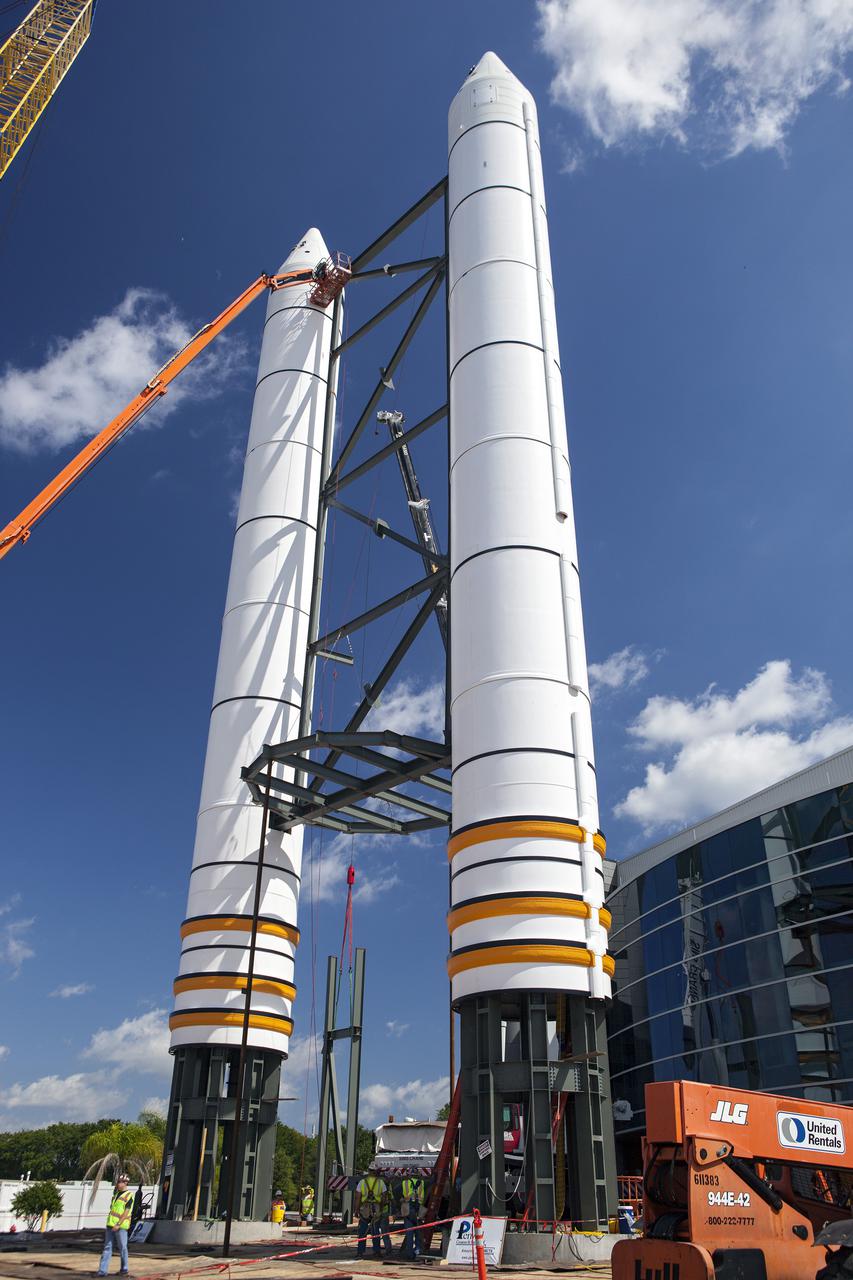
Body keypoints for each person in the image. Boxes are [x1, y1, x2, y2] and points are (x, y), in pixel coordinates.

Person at [96, 1174, 134, 1276]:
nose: (117, 1184)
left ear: (125, 1183)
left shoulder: (128, 1196)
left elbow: (126, 1212)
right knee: (107, 1247)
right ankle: (102, 1271)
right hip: (110, 1225)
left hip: (121, 1226)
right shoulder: (116, 1195)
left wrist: (118, 1223)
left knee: (123, 1248)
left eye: (119, 1182)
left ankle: (124, 1269)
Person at [353, 1167, 391, 1258]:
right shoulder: (380, 1183)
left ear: (369, 1171)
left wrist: (356, 1210)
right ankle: (376, 1251)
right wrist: (381, 1208)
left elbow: (358, 1197)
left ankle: (360, 1252)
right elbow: (384, 1197)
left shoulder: (362, 1182)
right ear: (376, 1172)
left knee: (362, 1231)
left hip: (365, 1209)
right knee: (375, 1231)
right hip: (376, 1208)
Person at [399, 1174, 428, 1258]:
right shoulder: (422, 1183)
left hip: (408, 1210)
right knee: (418, 1232)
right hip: (418, 1210)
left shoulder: (404, 1183)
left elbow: (400, 1198)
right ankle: (418, 1251)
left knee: (409, 1233)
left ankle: (410, 1254)